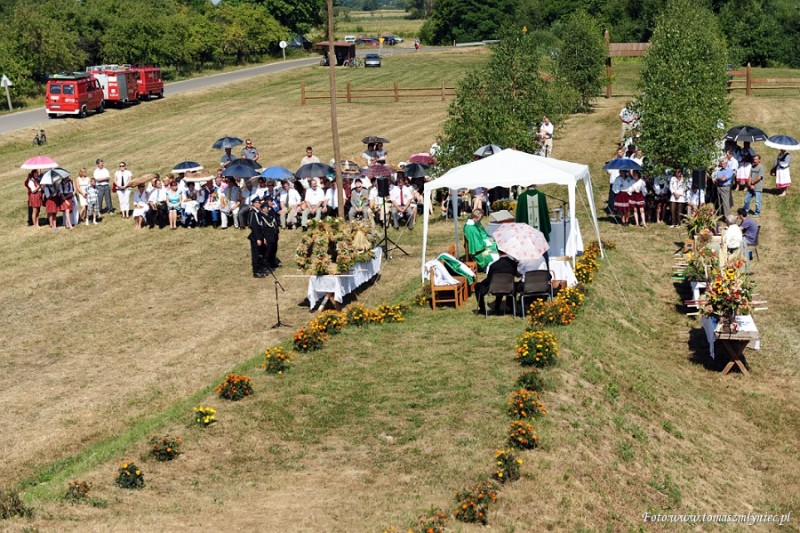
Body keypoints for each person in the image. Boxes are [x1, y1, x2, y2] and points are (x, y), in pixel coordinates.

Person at [247, 197, 267, 277]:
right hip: (256, 237)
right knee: (256, 255)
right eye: (258, 203)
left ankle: (261, 269)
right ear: (254, 204)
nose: (259, 204)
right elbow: (254, 226)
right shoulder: (252, 213)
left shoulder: (258, 212)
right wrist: (258, 238)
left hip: (261, 235)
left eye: (259, 202)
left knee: (261, 254)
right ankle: (256, 271)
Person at [261, 198, 280, 270]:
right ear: (263, 209)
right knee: (267, 252)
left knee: (274, 250)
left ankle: (273, 263)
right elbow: (262, 228)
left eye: (268, 208)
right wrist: (264, 238)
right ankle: (266, 265)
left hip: (274, 236)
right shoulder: (262, 217)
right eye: (266, 208)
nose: (268, 209)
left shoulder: (271, 215)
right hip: (268, 236)